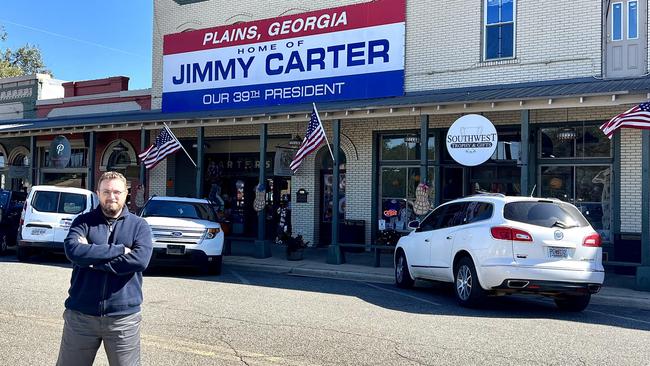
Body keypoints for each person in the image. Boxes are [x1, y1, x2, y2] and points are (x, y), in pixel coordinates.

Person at [56, 171, 153, 366]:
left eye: (117, 191)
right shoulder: (83, 222)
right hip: (81, 316)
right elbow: (73, 251)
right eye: (106, 191)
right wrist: (119, 250)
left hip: (123, 319)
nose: (112, 196)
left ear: (126, 193)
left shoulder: (139, 226)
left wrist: (91, 260)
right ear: (97, 193)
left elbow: (140, 261)